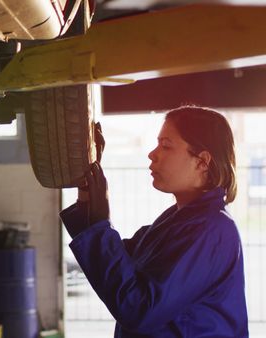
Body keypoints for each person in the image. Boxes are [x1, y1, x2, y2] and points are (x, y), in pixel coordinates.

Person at [60, 106, 248, 337]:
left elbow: (139, 308)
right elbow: (122, 264)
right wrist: (88, 192)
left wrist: (100, 223)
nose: (153, 154)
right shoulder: (178, 219)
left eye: (166, 145)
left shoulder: (210, 230)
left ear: (202, 162)